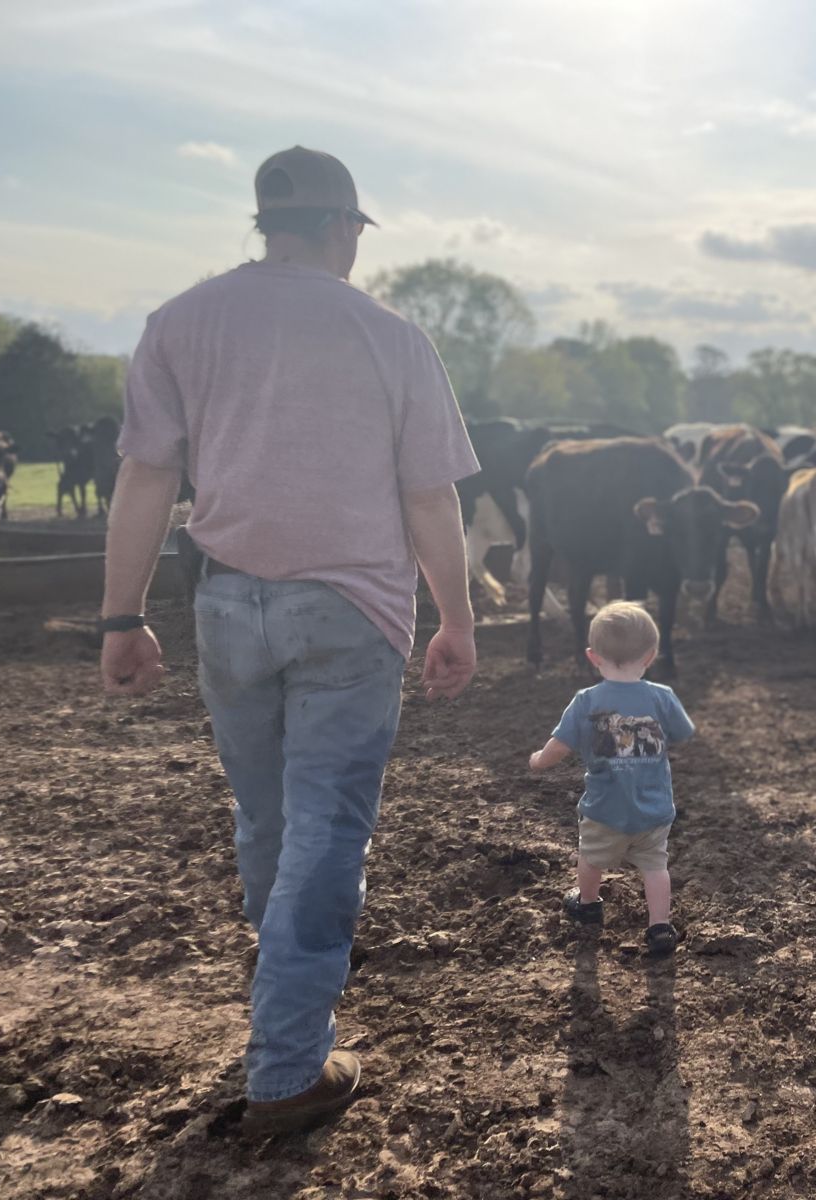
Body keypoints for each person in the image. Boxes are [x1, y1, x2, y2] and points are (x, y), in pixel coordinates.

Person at [98, 146, 480, 1136]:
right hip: (351, 611)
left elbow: (146, 479)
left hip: (225, 603)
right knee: (325, 828)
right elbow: (428, 496)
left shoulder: (179, 322)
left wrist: (120, 616)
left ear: (267, 224)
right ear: (345, 228)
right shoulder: (392, 335)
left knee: (267, 815)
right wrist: (456, 617)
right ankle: (286, 1067)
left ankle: (287, 976)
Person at [529, 602, 694, 956]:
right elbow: (683, 733)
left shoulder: (587, 701)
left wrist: (539, 760)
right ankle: (660, 926)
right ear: (651, 656)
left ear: (592, 656)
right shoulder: (661, 697)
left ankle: (588, 903)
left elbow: (559, 746)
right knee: (655, 866)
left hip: (605, 809)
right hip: (654, 808)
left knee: (590, 858)